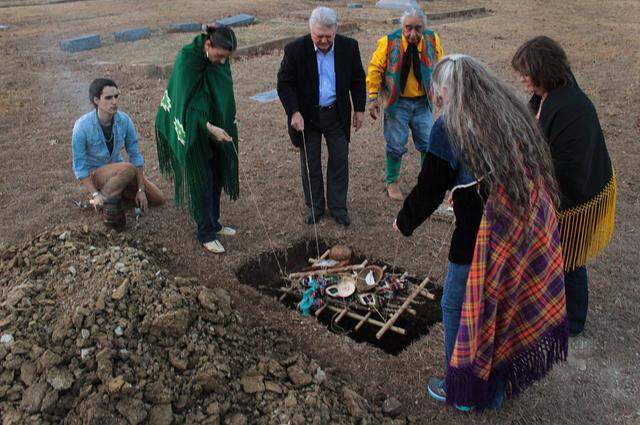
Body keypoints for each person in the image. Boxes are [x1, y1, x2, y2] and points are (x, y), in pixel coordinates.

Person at [393, 54, 568, 410]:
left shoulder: (449, 126)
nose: (438, 100)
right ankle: (496, 385)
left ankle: (461, 388)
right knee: (503, 304)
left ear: (446, 90)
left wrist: (404, 221)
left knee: (455, 303)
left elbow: (430, 188)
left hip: (485, 234)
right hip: (528, 222)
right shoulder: (509, 110)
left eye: (439, 94)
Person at [512, 36, 617, 336]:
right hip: (561, 191)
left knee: (569, 257)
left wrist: (531, 177)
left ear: (543, 70)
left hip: (578, 198)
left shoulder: (573, 109)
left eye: (527, 72)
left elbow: (569, 170)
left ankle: (573, 321)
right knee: (552, 254)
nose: (523, 78)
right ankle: (551, 306)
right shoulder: (548, 94)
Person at [277, 6, 366, 226]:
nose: (324, 41)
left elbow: (357, 79)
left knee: (339, 158)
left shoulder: (349, 47)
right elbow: (284, 83)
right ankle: (316, 206)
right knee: (310, 161)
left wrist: (359, 109)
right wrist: (294, 112)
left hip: (336, 113)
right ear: (311, 31)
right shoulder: (295, 50)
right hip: (307, 115)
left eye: (328, 36)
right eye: (319, 36)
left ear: (336, 30)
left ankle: (337, 207)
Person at [155, 25, 239, 254]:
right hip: (192, 128)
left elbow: (222, 93)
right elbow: (188, 105)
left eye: (226, 58)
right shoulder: (187, 60)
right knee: (202, 177)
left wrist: (222, 124)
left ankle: (215, 223)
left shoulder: (218, 62)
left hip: (215, 126)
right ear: (208, 44)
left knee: (217, 174)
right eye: (219, 56)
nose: (222, 62)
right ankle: (205, 233)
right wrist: (209, 127)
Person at [367, 8, 444, 201]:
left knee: (429, 142)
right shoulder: (389, 41)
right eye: (408, 28)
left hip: (422, 102)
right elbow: (375, 68)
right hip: (397, 103)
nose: (413, 34)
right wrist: (373, 97)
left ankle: (427, 182)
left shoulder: (432, 39)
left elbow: (440, 66)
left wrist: (441, 91)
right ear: (402, 26)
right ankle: (391, 182)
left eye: (418, 29)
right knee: (395, 144)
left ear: (424, 27)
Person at [71, 78, 164, 229]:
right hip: (96, 174)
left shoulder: (124, 120)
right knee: (127, 169)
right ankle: (103, 201)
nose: (114, 102)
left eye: (116, 96)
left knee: (158, 198)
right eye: (108, 98)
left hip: (118, 171)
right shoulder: (82, 127)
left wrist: (140, 190)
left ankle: (116, 193)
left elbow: (135, 155)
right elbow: (80, 168)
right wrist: (95, 193)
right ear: (96, 100)